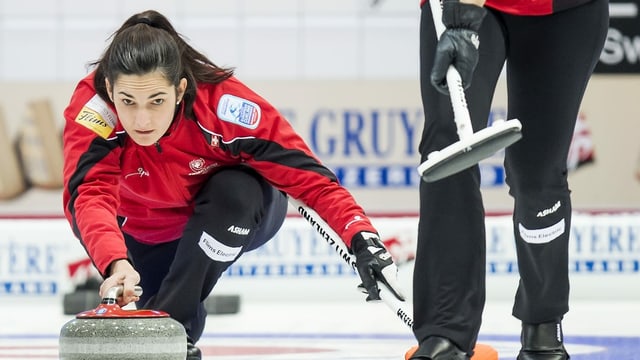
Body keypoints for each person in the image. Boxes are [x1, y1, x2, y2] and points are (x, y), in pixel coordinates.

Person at [62, 9, 404, 360]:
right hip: (142, 232)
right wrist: (115, 262)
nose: (142, 119)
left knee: (231, 199)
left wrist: (362, 238)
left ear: (180, 89)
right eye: (128, 102)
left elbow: (310, 179)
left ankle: (169, 334)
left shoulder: (224, 105)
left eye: (157, 101)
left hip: (233, 212)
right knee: (167, 313)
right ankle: (177, 336)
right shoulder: (94, 110)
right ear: (109, 89)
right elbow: (87, 195)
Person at [411, 0, 608, 359]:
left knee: (536, 172)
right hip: (464, 5)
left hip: (563, 10)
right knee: (447, 147)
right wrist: (462, 20)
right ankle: (444, 332)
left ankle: (543, 323)